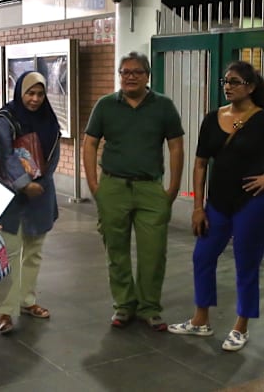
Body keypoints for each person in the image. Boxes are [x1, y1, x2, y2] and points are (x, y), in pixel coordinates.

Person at [168, 61, 264, 351]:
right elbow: (200, 164)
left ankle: (241, 326)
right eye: (225, 81)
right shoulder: (212, 119)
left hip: (254, 201)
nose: (228, 86)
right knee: (202, 256)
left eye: (234, 82)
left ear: (251, 87)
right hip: (219, 202)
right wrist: (198, 207)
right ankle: (200, 319)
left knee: (246, 262)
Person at [82, 51, 184, 332]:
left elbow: (176, 146)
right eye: (125, 72)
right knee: (116, 250)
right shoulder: (105, 105)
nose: (130, 77)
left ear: (147, 76)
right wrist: (94, 185)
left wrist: (173, 187)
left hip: (150, 188)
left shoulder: (163, 106)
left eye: (136, 72)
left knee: (154, 252)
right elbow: (89, 143)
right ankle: (124, 305)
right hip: (113, 187)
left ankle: (149, 307)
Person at [0, 71, 61, 334]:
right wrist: (24, 183)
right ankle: (4, 310)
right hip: (11, 197)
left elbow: (53, 156)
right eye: (30, 93)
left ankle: (27, 301)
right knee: (8, 253)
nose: (35, 99)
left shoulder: (49, 120)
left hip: (40, 196)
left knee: (34, 251)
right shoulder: (6, 119)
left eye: (40, 94)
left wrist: (41, 182)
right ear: (20, 92)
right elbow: (5, 154)